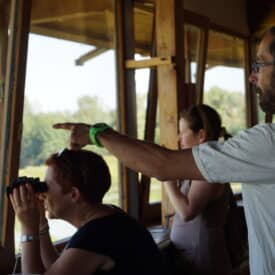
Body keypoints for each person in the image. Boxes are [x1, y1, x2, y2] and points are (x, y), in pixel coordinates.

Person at [53, 26, 275, 275]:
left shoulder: (268, 143)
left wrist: (96, 134)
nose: (252, 77)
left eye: (259, 65)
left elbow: (162, 165)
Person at [9, 149, 166, 275]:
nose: (42, 195)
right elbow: (59, 268)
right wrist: (39, 224)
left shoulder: (98, 235)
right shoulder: (109, 218)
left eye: (46, 187)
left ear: (74, 194)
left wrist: (28, 228)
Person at [164, 104, 231, 275]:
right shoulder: (201, 166)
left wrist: (168, 182)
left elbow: (187, 212)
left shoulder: (208, 168)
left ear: (201, 135)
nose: (179, 140)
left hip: (203, 258)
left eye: (182, 133)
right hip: (194, 255)